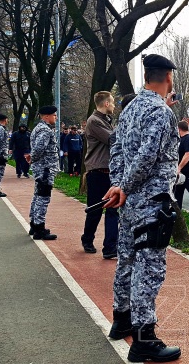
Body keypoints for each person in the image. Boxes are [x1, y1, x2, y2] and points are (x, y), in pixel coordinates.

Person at [103, 54, 182, 362]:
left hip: (130, 203)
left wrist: (118, 184)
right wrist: (124, 186)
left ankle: (121, 317)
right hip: (150, 202)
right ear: (168, 79)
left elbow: (118, 149)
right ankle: (144, 338)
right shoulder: (161, 112)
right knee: (148, 270)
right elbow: (147, 158)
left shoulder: (131, 107)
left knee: (127, 261)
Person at [81, 91, 119, 259]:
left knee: (112, 209)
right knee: (95, 210)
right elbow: (112, 139)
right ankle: (87, 239)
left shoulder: (106, 120)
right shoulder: (94, 121)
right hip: (97, 172)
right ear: (105, 104)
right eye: (112, 102)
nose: (113, 105)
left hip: (110, 172)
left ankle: (110, 248)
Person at [27, 106, 59, 240]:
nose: (56, 118)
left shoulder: (38, 128)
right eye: (54, 115)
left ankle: (34, 224)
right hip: (45, 168)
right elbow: (40, 148)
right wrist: (32, 157)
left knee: (38, 195)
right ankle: (39, 228)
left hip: (41, 168)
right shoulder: (45, 130)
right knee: (43, 197)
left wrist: (32, 157)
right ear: (46, 116)